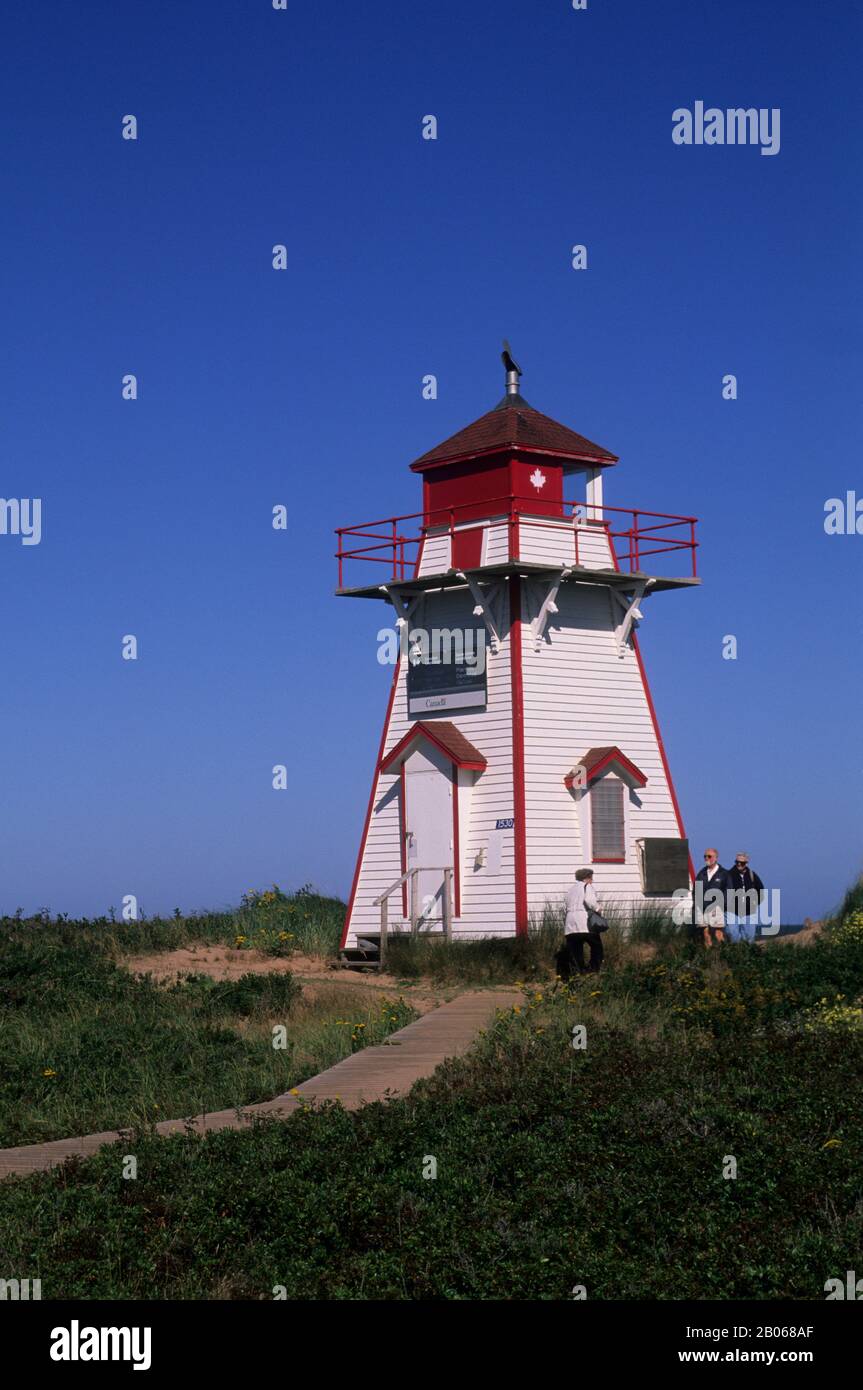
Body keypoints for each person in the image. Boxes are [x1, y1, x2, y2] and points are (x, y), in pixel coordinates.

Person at [564, 868, 603, 976]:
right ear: (587, 878)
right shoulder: (587, 886)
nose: (592, 881)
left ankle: (578, 972)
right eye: (591, 878)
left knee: (576, 951)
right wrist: (598, 908)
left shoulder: (570, 890)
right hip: (584, 921)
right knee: (596, 946)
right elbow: (589, 900)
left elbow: (567, 903)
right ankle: (593, 970)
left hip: (570, 923)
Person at [692, 848, 729, 947]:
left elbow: (729, 890)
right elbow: (696, 890)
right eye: (705, 856)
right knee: (705, 933)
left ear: (716, 858)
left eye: (709, 856)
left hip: (717, 908)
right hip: (702, 907)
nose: (706, 858)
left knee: (718, 934)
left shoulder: (724, 874)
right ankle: (709, 957)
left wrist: (723, 904)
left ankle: (724, 953)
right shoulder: (701, 873)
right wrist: (696, 904)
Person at [725, 852, 765, 943]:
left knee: (749, 937)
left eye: (742, 863)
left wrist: (756, 903)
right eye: (737, 862)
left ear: (746, 863)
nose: (739, 864)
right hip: (732, 911)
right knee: (732, 934)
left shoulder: (752, 875)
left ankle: (746, 955)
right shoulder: (728, 875)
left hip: (749, 911)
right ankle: (736, 952)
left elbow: (761, 890)